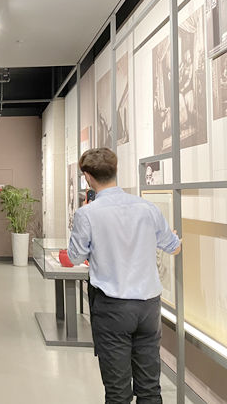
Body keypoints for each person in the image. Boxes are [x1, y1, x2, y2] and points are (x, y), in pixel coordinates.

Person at [68, 148, 181, 404]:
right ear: (115, 170)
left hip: (112, 308)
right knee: (150, 388)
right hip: (149, 308)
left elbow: (75, 257)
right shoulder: (147, 208)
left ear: (87, 177)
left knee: (118, 392)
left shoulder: (88, 214)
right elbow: (173, 246)